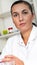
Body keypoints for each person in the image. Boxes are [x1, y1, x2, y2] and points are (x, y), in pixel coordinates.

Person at [0, 0, 37, 65]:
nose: (20, 18)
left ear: (33, 15)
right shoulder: (11, 42)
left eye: (25, 13)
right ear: (13, 20)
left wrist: (23, 64)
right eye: (15, 15)